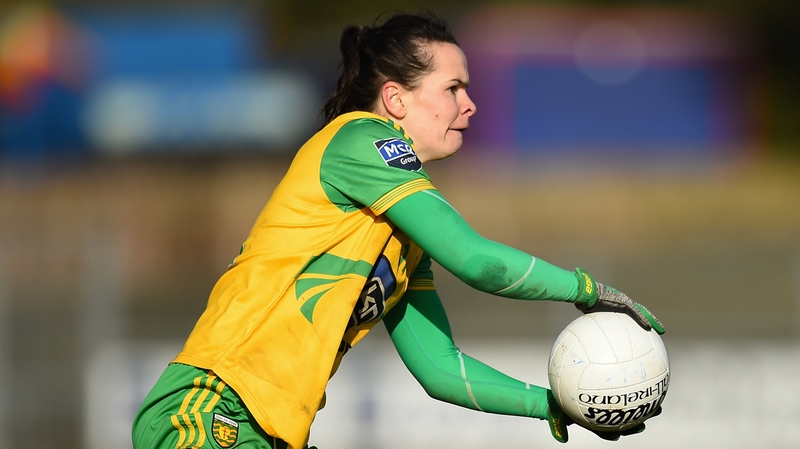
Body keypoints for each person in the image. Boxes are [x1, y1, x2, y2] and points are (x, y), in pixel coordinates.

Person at [132, 10, 665, 449]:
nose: (470, 104)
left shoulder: (404, 238)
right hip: (209, 408)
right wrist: (586, 289)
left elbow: (439, 368)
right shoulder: (359, 139)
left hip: (263, 433)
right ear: (396, 100)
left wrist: (549, 404)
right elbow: (475, 260)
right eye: (454, 87)